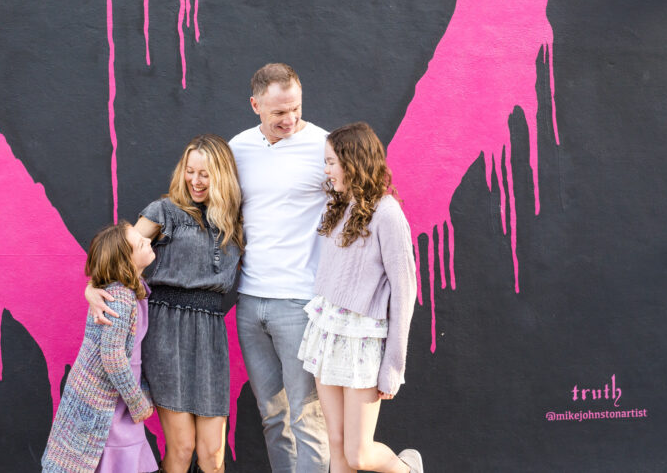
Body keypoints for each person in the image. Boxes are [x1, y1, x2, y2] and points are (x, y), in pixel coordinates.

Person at [88, 134, 244, 473]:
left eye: (205, 174)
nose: (195, 181)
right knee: (182, 448)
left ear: (222, 176)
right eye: (190, 171)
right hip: (166, 331)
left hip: (210, 335)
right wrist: (92, 288)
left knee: (213, 455)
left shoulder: (235, 221)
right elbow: (116, 254)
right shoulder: (164, 212)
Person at [297, 122, 422, 473]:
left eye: (332, 162)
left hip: (362, 342)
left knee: (359, 455)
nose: (327, 170)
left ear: (353, 163)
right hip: (328, 331)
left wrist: (393, 366)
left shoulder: (388, 214)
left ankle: (407, 469)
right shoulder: (339, 208)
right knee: (335, 447)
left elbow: (404, 291)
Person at [229, 63, 330, 473]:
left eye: (296, 109)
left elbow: (363, 205)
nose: (289, 120)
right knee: (273, 418)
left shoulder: (325, 146)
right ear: (255, 105)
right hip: (250, 302)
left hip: (301, 302)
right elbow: (192, 200)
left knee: (308, 419)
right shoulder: (237, 148)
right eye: (277, 113)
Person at [42, 221, 158, 473]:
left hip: (120, 400)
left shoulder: (131, 292)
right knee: (107, 459)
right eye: (140, 243)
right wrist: (137, 401)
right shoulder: (119, 298)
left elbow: (135, 355)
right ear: (126, 262)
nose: (148, 241)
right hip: (106, 405)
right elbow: (113, 356)